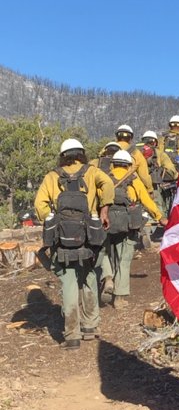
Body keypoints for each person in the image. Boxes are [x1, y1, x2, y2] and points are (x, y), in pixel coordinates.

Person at [34, 138, 114, 349]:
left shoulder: (52, 177)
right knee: (89, 276)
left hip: (62, 241)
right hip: (90, 237)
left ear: (63, 156)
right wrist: (104, 209)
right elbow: (108, 184)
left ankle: (72, 336)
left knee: (69, 282)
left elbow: (40, 205)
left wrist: (53, 220)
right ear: (81, 154)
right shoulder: (92, 172)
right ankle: (90, 327)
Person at [96, 148, 167, 309]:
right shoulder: (133, 180)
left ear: (113, 164)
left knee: (103, 251)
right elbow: (146, 200)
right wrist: (159, 217)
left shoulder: (103, 179)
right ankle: (119, 299)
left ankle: (107, 276)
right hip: (127, 224)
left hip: (106, 222)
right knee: (124, 259)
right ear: (128, 165)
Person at [156, 115, 179, 216]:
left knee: (160, 197)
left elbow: (158, 154)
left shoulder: (162, 138)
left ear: (170, 126)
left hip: (163, 172)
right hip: (177, 172)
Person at [115, 124, 153, 194]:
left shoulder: (106, 149)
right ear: (131, 138)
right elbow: (144, 175)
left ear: (117, 137)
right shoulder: (136, 153)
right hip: (129, 188)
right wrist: (150, 190)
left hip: (107, 186)